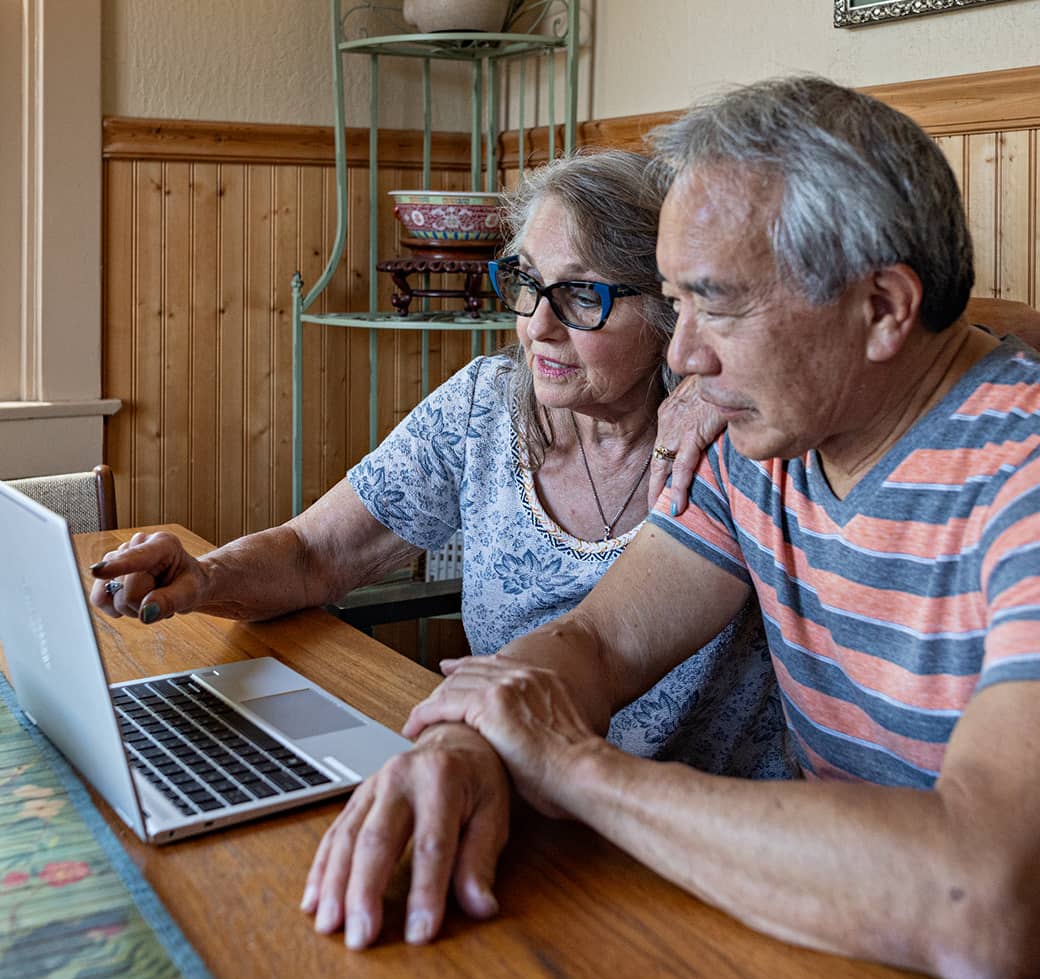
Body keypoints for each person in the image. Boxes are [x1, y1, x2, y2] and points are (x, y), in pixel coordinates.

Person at [303, 77, 1040, 979]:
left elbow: (987, 910)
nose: (683, 359)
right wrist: (468, 746)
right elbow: (599, 641)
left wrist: (576, 770)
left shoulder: (1020, 471)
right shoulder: (762, 436)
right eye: (676, 303)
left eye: (717, 305)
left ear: (885, 307)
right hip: (817, 938)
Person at [88, 151, 794, 777]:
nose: (536, 327)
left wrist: (736, 379)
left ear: (675, 310)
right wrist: (207, 575)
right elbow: (315, 552)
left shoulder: (729, 437)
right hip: (514, 786)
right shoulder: (485, 408)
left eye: (583, 295)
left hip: (698, 827)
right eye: (527, 282)